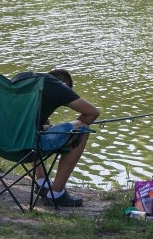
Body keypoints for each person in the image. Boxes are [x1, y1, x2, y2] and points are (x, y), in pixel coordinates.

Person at [11, 69, 99, 207]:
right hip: (27, 143)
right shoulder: (58, 86)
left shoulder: (21, 76)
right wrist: (69, 132)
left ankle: (42, 182)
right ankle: (57, 192)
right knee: (82, 130)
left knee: (43, 121)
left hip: (1, 140)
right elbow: (92, 113)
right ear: (64, 84)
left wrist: (47, 128)